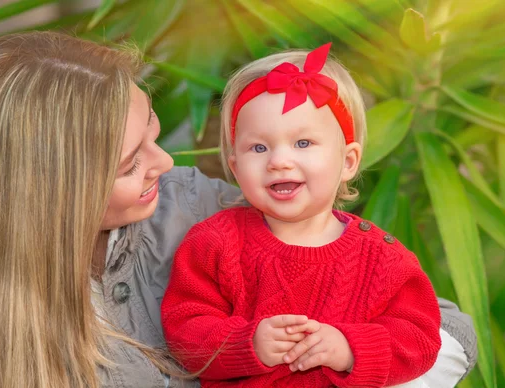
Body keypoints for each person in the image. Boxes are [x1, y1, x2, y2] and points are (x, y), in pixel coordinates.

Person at [0, 32, 475, 388]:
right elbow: (195, 331)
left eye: (153, 133)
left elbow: (445, 330)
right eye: (128, 165)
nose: (164, 162)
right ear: (47, 193)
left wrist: (346, 353)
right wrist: (246, 345)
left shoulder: (195, 206)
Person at [161, 43, 468, 388]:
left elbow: (419, 339)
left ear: (348, 161)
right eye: (258, 147)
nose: (279, 161)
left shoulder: (383, 258)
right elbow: (184, 329)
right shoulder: (214, 243)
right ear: (235, 166)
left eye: (303, 143)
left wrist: (350, 348)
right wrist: (248, 342)